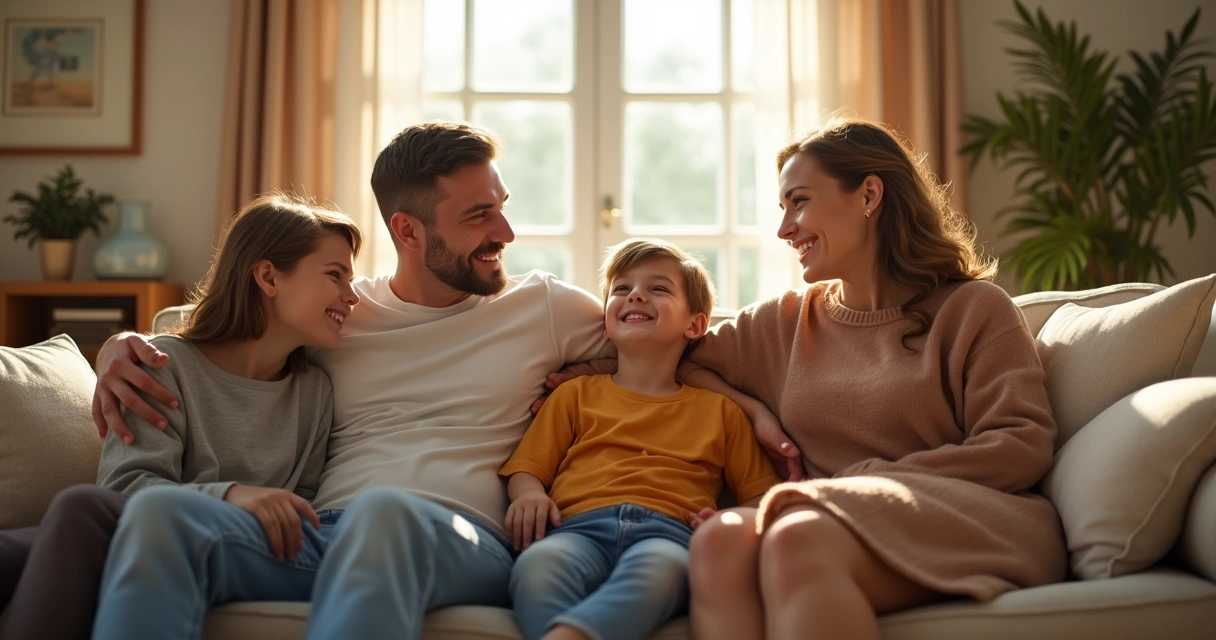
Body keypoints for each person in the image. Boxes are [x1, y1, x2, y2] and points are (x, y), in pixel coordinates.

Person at [91, 122, 768, 640]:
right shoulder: (338, 313)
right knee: (159, 514)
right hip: (325, 534)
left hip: (467, 540)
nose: (504, 230)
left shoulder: (545, 307)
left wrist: (748, 409)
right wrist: (120, 347)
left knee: (386, 514)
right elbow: (222, 339)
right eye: (478, 215)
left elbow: (671, 351)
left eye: (501, 207)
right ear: (408, 230)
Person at [677, 118, 1069, 639]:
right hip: (823, 514)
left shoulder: (973, 309)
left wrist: (862, 482)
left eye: (798, 202)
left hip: (969, 515)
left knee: (797, 537)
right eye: (782, 208)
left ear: (868, 194)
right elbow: (679, 358)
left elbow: (1021, 444)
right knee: (718, 541)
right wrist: (755, 411)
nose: (784, 228)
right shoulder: (785, 322)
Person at [0, 192, 360, 640]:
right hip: (145, 532)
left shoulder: (314, 392)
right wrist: (230, 494)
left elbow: (297, 507)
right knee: (82, 509)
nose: (352, 296)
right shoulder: (160, 366)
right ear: (268, 276)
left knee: (72, 517)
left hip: (230, 549)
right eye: (335, 276)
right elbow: (127, 487)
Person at [502, 239, 781, 640]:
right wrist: (528, 494)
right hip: (575, 528)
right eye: (621, 288)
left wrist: (725, 521)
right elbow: (527, 468)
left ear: (695, 325)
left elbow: (761, 498)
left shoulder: (722, 412)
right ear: (607, 323)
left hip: (668, 535)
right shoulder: (574, 395)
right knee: (535, 567)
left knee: (663, 573)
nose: (635, 294)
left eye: (658, 288)